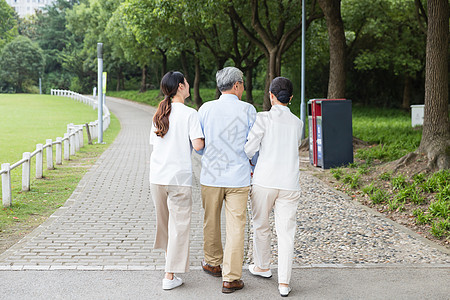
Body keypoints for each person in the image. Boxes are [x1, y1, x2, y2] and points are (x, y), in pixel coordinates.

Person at [197, 67, 256, 293]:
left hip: (211, 175)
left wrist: (208, 156)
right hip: (239, 177)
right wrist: (253, 163)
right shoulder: (249, 110)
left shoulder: (206, 109)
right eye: (242, 84)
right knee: (236, 226)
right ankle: (231, 278)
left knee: (210, 220)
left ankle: (213, 263)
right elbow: (254, 144)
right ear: (237, 85)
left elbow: (199, 144)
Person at [244, 77, 303, 297]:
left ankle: (263, 266)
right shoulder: (298, 123)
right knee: (286, 233)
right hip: (289, 183)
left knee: (260, 225)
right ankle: (284, 284)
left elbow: (249, 149)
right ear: (291, 98)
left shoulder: (263, 119)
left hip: (264, 181)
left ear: (271, 96)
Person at [149, 71, 204, 290]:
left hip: (157, 177)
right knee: (179, 226)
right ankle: (169, 276)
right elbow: (198, 145)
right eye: (187, 82)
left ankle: (168, 265)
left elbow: (155, 145)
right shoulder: (191, 114)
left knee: (164, 224)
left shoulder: (158, 113)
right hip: (179, 178)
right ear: (181, 86)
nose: (189, 85)